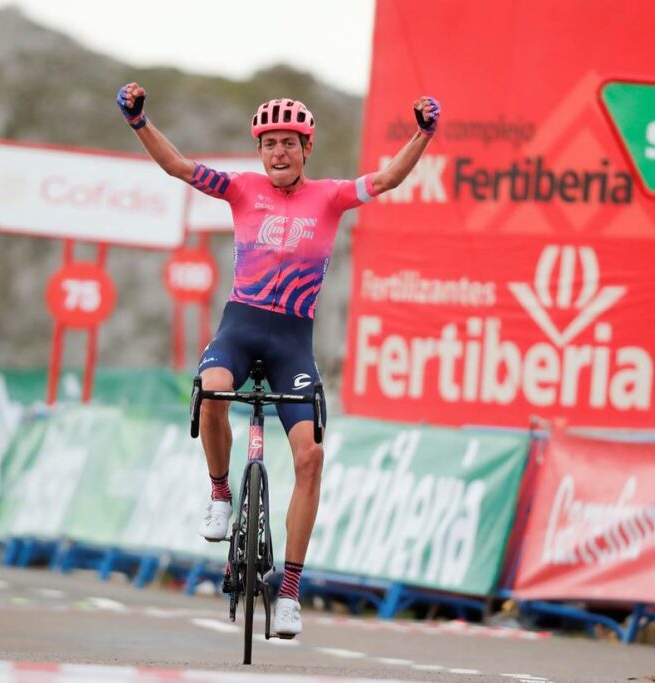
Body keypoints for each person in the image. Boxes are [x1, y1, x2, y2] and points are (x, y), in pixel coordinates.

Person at [117, 83, 439, 636]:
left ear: (306, 148)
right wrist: (138, 121)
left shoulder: (331, 197)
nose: (279, 152)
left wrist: (423, 133)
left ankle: (289, 589)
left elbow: (387, 179)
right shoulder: (241, 189)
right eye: (269, 143)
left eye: (289, 142)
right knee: (211, 389)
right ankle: (221, 491)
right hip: (240, 328)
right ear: (259, 151)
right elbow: (177, 166)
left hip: (293, 341)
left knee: (310, 456)